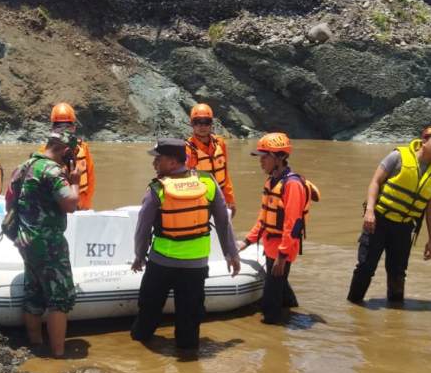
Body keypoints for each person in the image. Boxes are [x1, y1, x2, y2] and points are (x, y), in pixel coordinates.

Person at [130, 138, 241, 349]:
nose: (154, 164)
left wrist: (139, 256)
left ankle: (140, 355)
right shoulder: (208, 182)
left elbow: (142, 228)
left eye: (158, 160)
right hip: (195, 266)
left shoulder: (157, 188)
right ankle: (189, 363)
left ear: (172, 163)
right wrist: (231, 254)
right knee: (189, 322)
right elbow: (223, 221)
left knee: (147, 314)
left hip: (161, 263)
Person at [346, 125, 431, 305]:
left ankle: (395, 315)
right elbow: (375, 182)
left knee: (397, 272)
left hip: (404, 227)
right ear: (424, 141)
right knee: (365, 267)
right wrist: (369, 211)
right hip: (378, 220)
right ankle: (353, 306)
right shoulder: (398, 156)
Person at [10, 131, 80, 357]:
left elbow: (10, 200)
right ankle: (58, 354)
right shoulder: (53, 171)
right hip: (49, 243)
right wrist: (75, 182)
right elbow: (70, 203)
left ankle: (36, 344)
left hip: (25, 239)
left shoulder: (24, 166)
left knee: (34, 292)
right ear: (66, 151)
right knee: (59, 299)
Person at [238, 133, 320, 323]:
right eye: (261, 156)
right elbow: (264, 218)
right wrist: (247, 241)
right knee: (279, 289)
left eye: (265, 156)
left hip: (282, 248)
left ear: (280, 157)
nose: (261, 161)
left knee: (269, 308)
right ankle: (290, 309)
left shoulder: (292, 185)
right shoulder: (272, 181)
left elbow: (293, 224)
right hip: (270, 244)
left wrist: (282, 256)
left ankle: (275, 338)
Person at [184, 103, 237, 217]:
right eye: (197, 122)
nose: (202, 126)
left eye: (206, 122)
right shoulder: (187, 149)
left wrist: (230, 199)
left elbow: (225, 174)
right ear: (192, 124)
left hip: (220, 198)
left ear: (211, 124)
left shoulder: (220, 143)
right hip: (199, 200)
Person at [44, 102, 95, 210]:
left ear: (74, 127)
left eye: (67, 126)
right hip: (57, 210)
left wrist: (85, 207)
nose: (64, 130)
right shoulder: (44, 152)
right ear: (52, 129)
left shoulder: (83, 149)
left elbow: (90, 180)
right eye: (59, 126)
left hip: (81, 207)